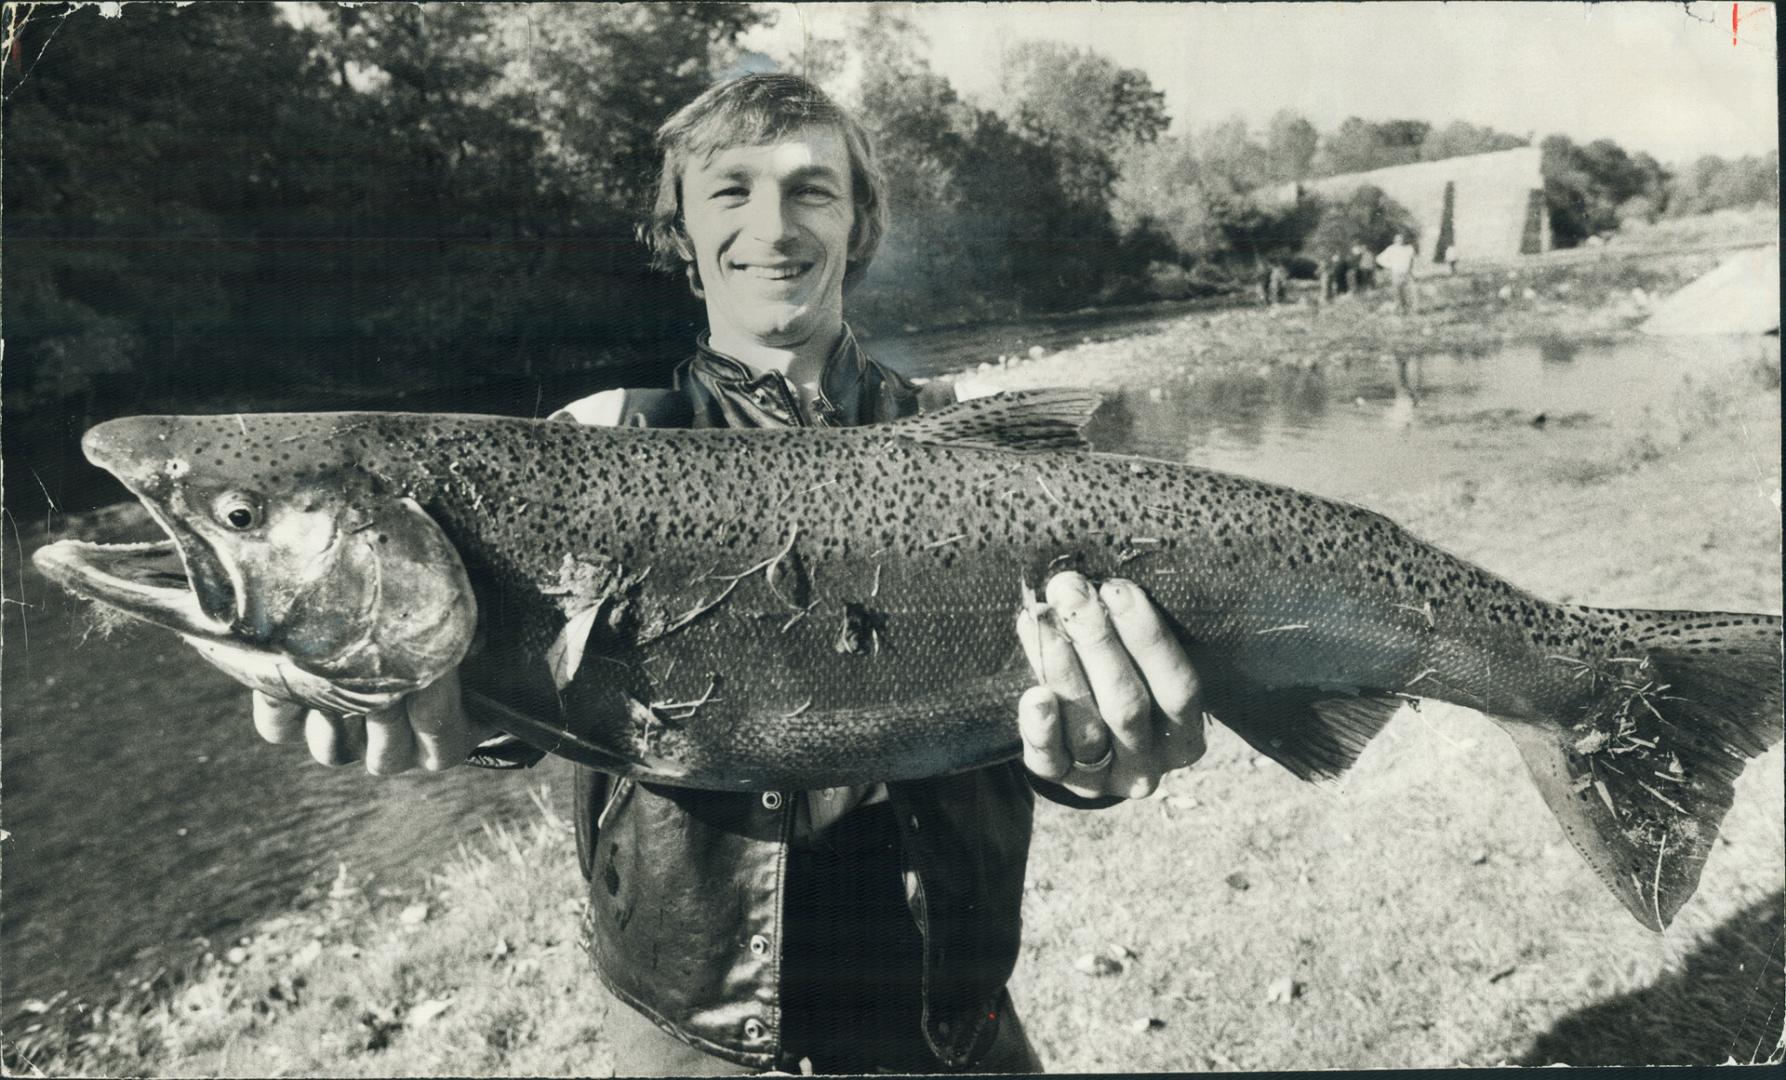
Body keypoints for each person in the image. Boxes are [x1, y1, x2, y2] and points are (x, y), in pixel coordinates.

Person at [248, 74, 1207, 1075]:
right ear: (683, 235)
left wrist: (1104, 759)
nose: (773, 224)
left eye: (811, 189)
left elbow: (1063, 715)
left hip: (950, 1024)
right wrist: (441, 702)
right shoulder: (589, 447)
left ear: (859, 225)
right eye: (730, 190)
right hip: (691, 1039)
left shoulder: (983, 448)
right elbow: (516, 690)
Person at [1377, 231, 1419, 315]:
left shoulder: (1409, 248)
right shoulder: (1391, 249)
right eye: (1398, 239)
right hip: (1396, 273)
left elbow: (1413, 261)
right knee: (1398, 293)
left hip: (1407, 273)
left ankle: (1412, 311)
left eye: (1402, 239)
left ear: (1404, 240)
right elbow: (1379, 259)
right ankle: (1401, 310)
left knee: (1410, 292)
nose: (1400, 241)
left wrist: (1413, 271)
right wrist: (1390, 266)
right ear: (1394, 240)